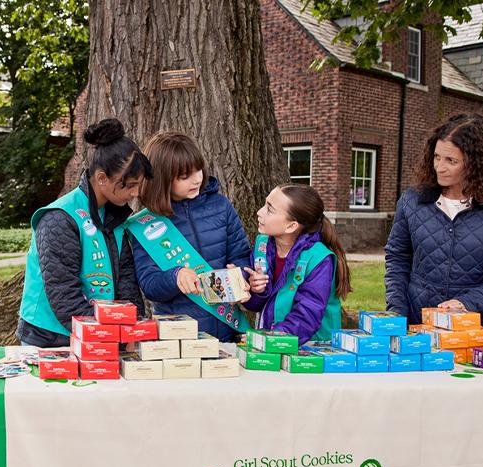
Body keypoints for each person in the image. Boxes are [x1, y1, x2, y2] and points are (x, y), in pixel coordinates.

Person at [385, 113, 483, 329]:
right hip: (418, 330)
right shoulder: (412, 201)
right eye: (436, 157)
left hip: (477, 330)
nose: (439, 167)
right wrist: (396, 314)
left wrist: (466, 303)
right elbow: (397, 259)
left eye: (451, 161)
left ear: (476, 164)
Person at [17, 118, 152, 347]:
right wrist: (109, 335)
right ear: (101, 178)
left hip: (98, 334)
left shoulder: (115, 217)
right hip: (49, 338)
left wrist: (132, 327)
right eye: (129, 185)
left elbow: (127, 283)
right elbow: (64, 296)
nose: (136, 193)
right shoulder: (59, 218)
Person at [128, 131, 252, 342]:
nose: (196, 179)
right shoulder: (145, 225)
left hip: (227, 331)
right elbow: (149, 285)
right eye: (185, 176)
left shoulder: (221, 207)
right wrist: (175, 276)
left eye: (198, 170)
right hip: (178, 338)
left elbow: (241, 256)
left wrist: (240, 278)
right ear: (163, 179)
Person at [242, 185, 351, 344]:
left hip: (312, 350)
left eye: (270, 209)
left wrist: (269, 338)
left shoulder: (319, 259)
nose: (259, 212)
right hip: (274, 345)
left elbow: (307, 316)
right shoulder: (263, 245)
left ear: (291, 226)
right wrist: (255, 290)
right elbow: (258, 304)